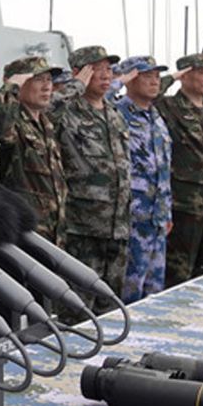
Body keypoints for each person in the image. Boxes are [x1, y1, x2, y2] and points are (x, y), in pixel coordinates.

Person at [50, 45, 131, 306]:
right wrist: (74, 86)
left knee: (111, 303)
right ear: (79, 73)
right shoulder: (66, 111)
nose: (106, 75)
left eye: (108, 69)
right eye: (97, 69)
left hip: (118, 226)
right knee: (78, 307)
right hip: (82, 227)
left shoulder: (114, 114)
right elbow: (43, 112)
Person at [155, 52, 203, 286]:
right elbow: (150, 95)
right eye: (201, 73)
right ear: (185, 76)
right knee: (178, 274)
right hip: (184, 205)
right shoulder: (169, 107)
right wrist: (172, 77)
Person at [113, 56, 173, 301]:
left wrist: (167, 212)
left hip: (157, 218)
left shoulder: (157, 118)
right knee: (129, 289)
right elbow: (89, 103)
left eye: (157, 77)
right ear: (130, 80)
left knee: (154, 290)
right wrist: (118, 82)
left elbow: (163, 168)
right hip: (132, 217)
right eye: (147, 76)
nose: (154, 82)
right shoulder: (117, 113)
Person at [0, 55, 68, 244]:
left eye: (49, 80)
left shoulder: (46, 124)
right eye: (37, 79)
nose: (46, 86)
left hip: (55, 233)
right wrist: (10, 87)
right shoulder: (12, 122)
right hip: (26, 235)